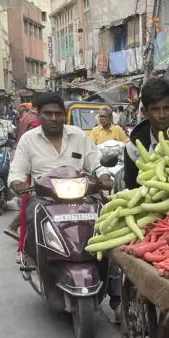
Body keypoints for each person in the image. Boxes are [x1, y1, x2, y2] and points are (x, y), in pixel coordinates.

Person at [8, 91, 112, 247]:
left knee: (107, 217)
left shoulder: (78, 135)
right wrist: (17, 183)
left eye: (58, 114)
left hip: (81, 197)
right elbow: (16, 173)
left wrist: (104, 176)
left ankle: (108, 263)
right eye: (48, 114)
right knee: (33, 218)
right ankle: (34, 258)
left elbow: (96, 162)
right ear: (39, 114)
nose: (54, 118)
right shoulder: (28, 140)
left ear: (64, 115)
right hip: (43, 199)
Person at [124, 76, 169, 191]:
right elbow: (132, 188)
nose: (162, 115)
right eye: (155, 109)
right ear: (145, 112)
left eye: (167, 108)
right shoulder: (133, 149)